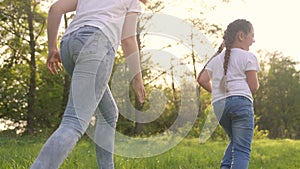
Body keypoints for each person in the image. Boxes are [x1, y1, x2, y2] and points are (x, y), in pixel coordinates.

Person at [30, 0, 148, 168]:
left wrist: (52, 48)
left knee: (109, 114)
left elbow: (55, 9)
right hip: (96, 44)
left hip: (69, 45)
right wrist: (137, 79)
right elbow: (128, 40)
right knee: (73, 123)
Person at [197, 19, 260, 169]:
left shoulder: (217, 59)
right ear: (241, 36)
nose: (253, 40)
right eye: (252, 35)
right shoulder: (248, 56)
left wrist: (218, 92)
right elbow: (254, 86)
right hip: (241, 104)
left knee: (236, 143)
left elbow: (202, 79)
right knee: (242, 150)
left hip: (220, 105)